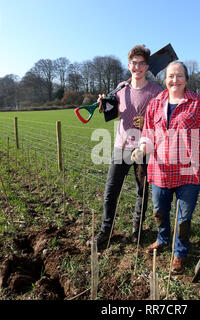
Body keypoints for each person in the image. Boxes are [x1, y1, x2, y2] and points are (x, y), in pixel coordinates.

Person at [131, 61, 200, 274]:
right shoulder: (155, 103)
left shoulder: (199, 103)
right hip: (160, 170)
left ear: (186, 79)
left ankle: (179, 254)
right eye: (170, 76)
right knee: (159, 211)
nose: (174, 80)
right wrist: (142, 149)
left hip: (189, 171)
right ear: (165, 79)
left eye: (179, 75)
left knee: (184, 217)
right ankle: (162, 239)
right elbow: (148, 134)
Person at [87, 45, 163, 247]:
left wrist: (147, 121)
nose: (137, 67)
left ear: (147, 66)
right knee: (111, 190)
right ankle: (105, 231)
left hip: (144, 149)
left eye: (141, 63)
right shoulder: (121, 88)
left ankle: (136, 231)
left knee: (142, 192)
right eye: (133, 63)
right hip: (121, 147)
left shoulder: (156, 91)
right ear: (129, 65)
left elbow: (164, 117)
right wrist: (103, 102)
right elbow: (111, 111)